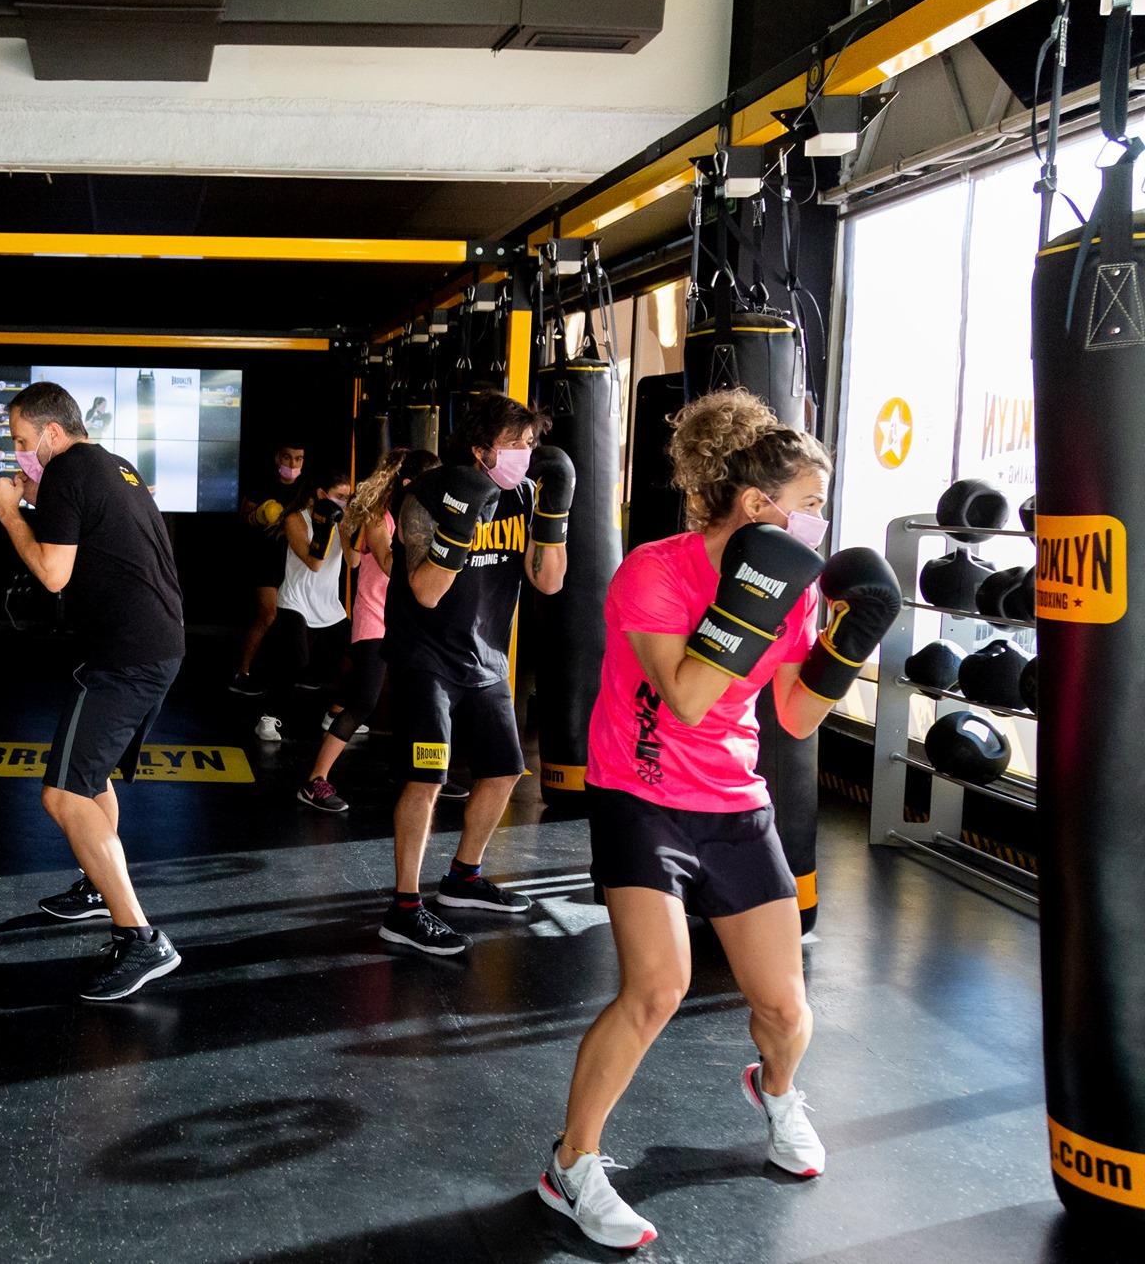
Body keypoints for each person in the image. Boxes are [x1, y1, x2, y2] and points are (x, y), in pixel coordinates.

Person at [534, 389, 897, 1250]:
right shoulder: (654, 572)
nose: (821, 521)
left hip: (735, 802)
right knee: (657, 986)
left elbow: (797, 716)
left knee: (784, 1008)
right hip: (641, 792)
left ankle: (775, 1091)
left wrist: (849, 643)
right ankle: (571, 1165)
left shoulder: (797, 591)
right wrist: (758, 596)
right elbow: (689, 698)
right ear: (757, 507)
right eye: (810, 504)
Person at [0, 382, 187, 1001]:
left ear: (50, 432)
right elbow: (80, 526)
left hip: (126, 658)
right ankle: (99, 888)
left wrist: (9, 514)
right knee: (92, 780)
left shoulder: (69, 469)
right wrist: (33, 501)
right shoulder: (111, 464)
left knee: (63, 795)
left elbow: (51, 574)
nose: (20, 454)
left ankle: (142, 938)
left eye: (22, 441)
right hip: (153, 646)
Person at [377, 394, 573, 956]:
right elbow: (426, 590)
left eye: (529, 444)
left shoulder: (527, 494)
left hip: (486, 658)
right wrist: (460, 526)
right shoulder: (429, 496)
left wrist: (555, 514)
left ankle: (464, 877)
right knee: (427, 780)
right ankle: (404, 909)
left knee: (506, 771)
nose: (524, 454)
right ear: (480, 448)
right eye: (512, 445)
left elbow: (549, 582)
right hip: (425, 657)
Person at [297, 448, 439, 813]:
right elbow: (392, 567)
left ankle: (418, 774)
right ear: (409, 483)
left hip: (406, 622)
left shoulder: (419, 513)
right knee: (363, 701)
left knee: (420, 698)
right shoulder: (380, 517)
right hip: (374, 617)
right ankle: (315, 780)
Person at [253, 466, 353, 744]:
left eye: (347, 497)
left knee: (360, 659)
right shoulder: (296, 519)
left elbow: (353, 562)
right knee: (295, 662)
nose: (344, 502)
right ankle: (268, 718)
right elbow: (314, 563)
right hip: (295, 601)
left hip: (328, 605)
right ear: (322, 494)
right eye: (339, 496)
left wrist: (346, 529)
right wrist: (324, 527)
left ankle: (334, 715)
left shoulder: (344, 520)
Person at [231, 440, 305, 696]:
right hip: (265, 559)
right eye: (288, 457)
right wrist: (258, 516)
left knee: (298, 616)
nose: (293, 464)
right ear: (278, 459)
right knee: (267, 615)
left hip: (297, 562)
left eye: (298, 459)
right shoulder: (262, 483)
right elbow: (244, 514)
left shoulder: (305, 490)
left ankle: (295, 672)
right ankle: (242, 672)